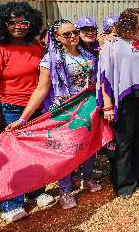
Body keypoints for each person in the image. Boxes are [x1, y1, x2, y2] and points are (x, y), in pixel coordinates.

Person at [7, 20, 102, 209]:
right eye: (67, 34)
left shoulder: (87, 53)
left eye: (75, 32)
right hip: (64, 110)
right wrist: (23, 118)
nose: (73, 36)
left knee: (89, 145)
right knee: (65, 150)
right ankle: (65, 191)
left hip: (88, 106)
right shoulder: (50, 59)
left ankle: (87, 178)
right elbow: (41, 89)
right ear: (57, 38)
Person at [0, 2, 54, 221]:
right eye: (12, 22)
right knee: (10, 160)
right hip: (7, 109)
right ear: (1, 24)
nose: (19, 26)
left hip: (34, 109)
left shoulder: (35, 46)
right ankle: (10, 203)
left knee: (35, 155)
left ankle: (35, 192)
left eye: (24, 22)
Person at [99, 8, 139, 199]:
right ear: (132, 21)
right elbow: (104, 75)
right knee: (124, 141)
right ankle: (123, 182)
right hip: (124, 98)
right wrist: (107, 104)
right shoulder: (113, 44)